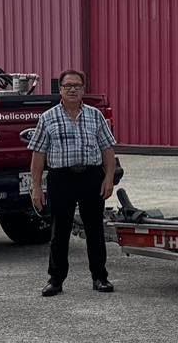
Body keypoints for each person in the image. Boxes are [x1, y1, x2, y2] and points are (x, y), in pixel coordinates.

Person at [26, 69, 117, 297]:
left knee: (94, 229)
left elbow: (107, 149)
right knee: (60, 231)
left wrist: (108, 178)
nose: (73, 89)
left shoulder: (95, 116)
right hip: (61, 179)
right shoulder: (48, 118)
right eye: (68, 86)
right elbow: (38, 156)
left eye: (77, 85)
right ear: (61, 89)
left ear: (84, 89)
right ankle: (55, 280)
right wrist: (36, 187)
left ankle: (100, 277)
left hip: (91, 176)